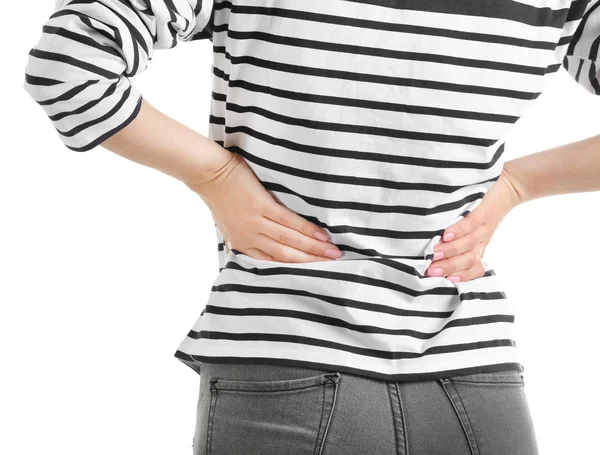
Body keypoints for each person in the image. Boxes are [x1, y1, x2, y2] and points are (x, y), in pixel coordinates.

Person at [23, 1, 600, 454]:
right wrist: (519, 185)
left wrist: (218, 175)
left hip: (284, 359)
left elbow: (69, 59)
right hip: (473, 377)